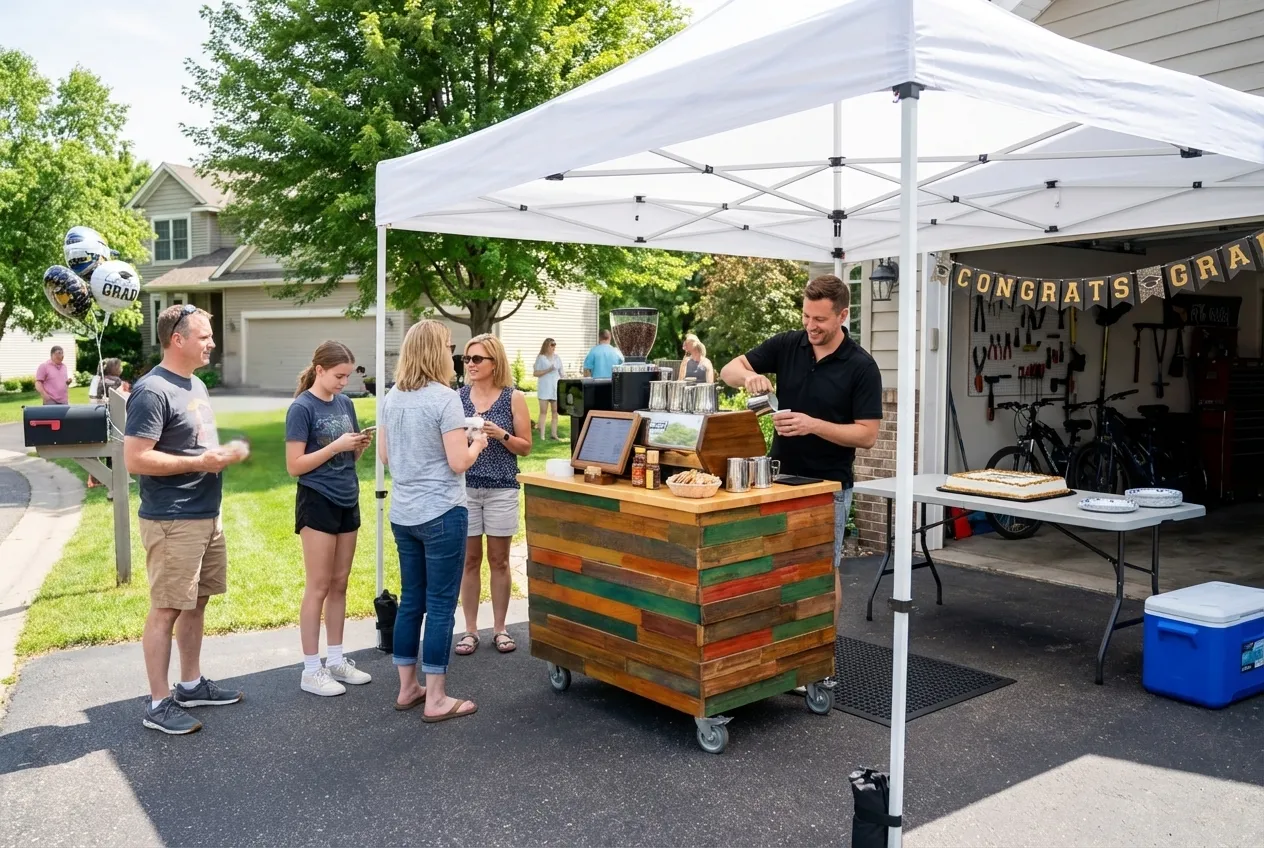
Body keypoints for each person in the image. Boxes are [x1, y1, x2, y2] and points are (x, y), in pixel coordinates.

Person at [719, 274, 881, 626]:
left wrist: (813, 425)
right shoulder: (789, 344)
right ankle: (786, 651)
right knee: (775, 566)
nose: (811, 326)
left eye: (820, 319)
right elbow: (727, 369)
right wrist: (749, 377)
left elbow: (867, 435)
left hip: (828, 486)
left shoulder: (862, 367)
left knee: (823, 570)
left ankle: (823, 662)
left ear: (842, 316)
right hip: (778, 479)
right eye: (806, 316)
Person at [124, 304, 248, 735]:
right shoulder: (152, 390)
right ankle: (158, 704)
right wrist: (199, 464)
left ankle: (191, 684)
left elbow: (193, 447)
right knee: (166, 609)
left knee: (197, 601)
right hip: (172, 518)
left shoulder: (194, 384)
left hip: (205, 513)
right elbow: (135, 459)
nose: (212, 343)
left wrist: (217, 457)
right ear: (177, 340)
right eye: (204, 337)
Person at [379, 320, 486, 722]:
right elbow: (459, 461)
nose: (453, 352)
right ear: (434, 351)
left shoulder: (392, 397)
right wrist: (476, 442)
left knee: (412, 603)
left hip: (404, 513)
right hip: (442, 511)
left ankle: (408, 688)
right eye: (448, 345)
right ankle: (437, 697)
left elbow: (387, 457)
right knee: (441, 606)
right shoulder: (445, 398)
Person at [285, 341, 374, 697]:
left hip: (346, 497)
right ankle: (311, 670)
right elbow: (295, 466)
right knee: (318, 585)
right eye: (338, 376)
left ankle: (336, 659)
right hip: (317, 500)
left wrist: (355, 450)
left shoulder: (346, 404)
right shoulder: (301, 408)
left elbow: (344, 462)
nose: (343, 383)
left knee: (340, 583)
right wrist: (335, 446)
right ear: (319, 370)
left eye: (347, 376)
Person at [455, 334, 532, 657]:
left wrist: (499, 434)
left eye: (477, 359)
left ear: (494, 363)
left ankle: (500, 628)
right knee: (469, 562)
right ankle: (470, 630)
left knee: (498, 561)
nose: (470, 364)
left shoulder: (512, 398)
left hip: (502, 487)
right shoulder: (457, 398)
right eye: (467, 359)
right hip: (466, 487)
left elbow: (525, 447)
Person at [88, 358, 128, 496]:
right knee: (114, 445)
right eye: (119, 366)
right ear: (114, 368)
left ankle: (94, 477)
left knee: (99, 445)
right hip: (111, 415)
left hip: (94, 414)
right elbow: (120, 397)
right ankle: (113, 475)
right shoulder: (116, 381)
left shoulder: (97, 379)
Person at [532, 338, 565, 440]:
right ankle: (542, 435)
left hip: (555, 388)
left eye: (554, 345)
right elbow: (535, 373)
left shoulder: (557, 358)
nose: (554, 347)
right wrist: (548, 370)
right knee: (543, 412)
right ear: (546, 346)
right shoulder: (541, 358)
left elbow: (562, 373)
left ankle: (554, 434)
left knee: (555, 412)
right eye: (552, 345)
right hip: (544, 388)